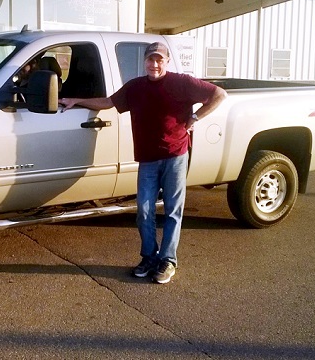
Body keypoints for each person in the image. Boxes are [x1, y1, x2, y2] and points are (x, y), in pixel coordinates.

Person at [59, 42, 227, 284]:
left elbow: (219, 94)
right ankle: (149, 257)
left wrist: (194, 117)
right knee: (144, 211)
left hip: (175, 155)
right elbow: (108, 102)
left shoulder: (181, 82)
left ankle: (167, 260)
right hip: (147, 159)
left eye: (159, 60)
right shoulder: (136, 87)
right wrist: (76, 101)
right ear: (145, 61)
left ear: (167, 61)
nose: (154, 64)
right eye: (150, 59)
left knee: (172, 211)